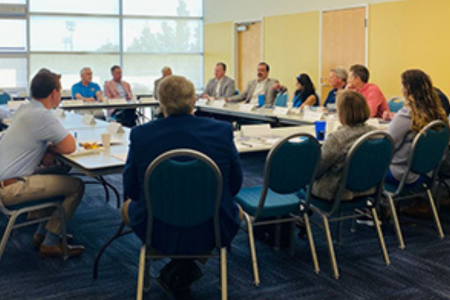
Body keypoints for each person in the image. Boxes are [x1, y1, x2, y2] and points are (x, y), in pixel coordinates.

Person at [122, 75, 243, 292]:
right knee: (224, 208)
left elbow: (132, 191)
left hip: (156, 228)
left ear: (160, 102)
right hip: (212, 226)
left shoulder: (141, 135)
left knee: (127, 206)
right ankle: (184, 265)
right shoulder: (222, 131)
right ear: (194, 100)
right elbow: (235, 184)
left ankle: (179, 266)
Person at [0, 69, 85, 258]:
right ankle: (49, 243)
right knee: (76, 186)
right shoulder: (42, 115)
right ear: (54, 93)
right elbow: (70, 146)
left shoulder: (26, 109)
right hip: (11, 188)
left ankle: (41, 234)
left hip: (6, 179)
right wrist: (52, 149)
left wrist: (47, 148)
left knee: (62, 170)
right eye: (60, 90)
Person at [311, 90, 377, 200]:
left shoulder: (338, 139)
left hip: (337, 193)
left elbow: (316, 170)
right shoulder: (377, 134)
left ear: (342, 113)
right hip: (368, 189)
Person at [386, 69, 448, 186]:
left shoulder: (406, 115)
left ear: (407, 90)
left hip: (401, 174)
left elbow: (388, 144)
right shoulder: (437, 114)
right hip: (427, 173)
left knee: (364, 166)